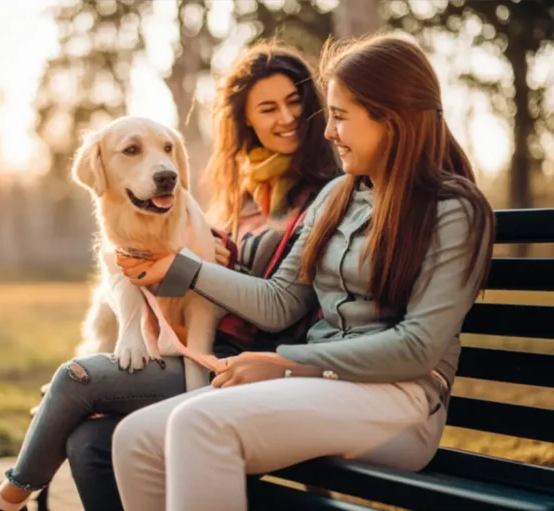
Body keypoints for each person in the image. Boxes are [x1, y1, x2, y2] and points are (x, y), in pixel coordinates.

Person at [110, 33, 496, 511]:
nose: (328, 133)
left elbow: (418, 347)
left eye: (339, 117)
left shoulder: (454, 210)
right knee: (136, 439)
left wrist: (286, 364)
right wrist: (183, 268)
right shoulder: (337, 196)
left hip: (402, 403)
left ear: (390, 120)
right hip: (319, 386)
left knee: (199, 425)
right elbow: (280, 302)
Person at [0, 40, 339, 511]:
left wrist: (192, 268)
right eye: (268, 107)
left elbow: (279, 299)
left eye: (296, 103)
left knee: (76, 381)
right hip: (206, 349)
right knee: (87, 442)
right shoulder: (244, 191)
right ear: (246, 120)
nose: (286, 117)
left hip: (253, 360)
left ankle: (5, 498)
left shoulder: (329, 195)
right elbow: (211, 262)